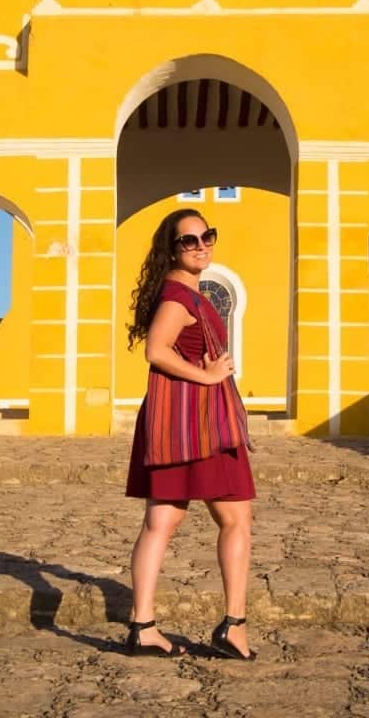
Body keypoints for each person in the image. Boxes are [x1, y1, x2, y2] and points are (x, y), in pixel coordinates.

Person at [125, 208, 256, 661]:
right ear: (172, 249)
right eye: (189, 240)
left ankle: (143, 627)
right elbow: (155, 351)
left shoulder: (185, 293)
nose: (201, 245)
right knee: (235, 520)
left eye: (207, 236)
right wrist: (208, 378)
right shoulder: (179, 297)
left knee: (161, 522)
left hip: (176, 422)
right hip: (201, 422)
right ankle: (233, 626)